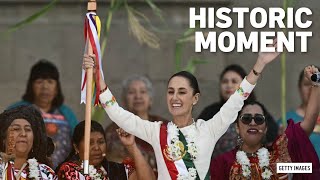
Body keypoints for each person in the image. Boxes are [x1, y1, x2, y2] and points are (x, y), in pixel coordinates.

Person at [83, 40, 280, 179]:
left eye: (182, 92)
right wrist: (97, 74)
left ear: (195, 98)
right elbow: (117, 112)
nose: (175, 98)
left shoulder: (208, 129)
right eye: (170, 92)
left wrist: (259, 64)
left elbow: (237, 100)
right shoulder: (156, 131)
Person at [210, 65, 320, 180]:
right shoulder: (222, 162)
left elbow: (308, 123)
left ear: (266, 128)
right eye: (246, 118)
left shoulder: (278, 156)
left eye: (259, 119)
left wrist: (316, 82)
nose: (252, 122)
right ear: (237, 127)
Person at [8, 60, 78, 168]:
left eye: (50, 81)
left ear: (56, 88)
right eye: (39, 81)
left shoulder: (67, 115)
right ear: (31, 86)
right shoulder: (16, 110)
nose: (45, 86)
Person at [198, 64, 278, 158]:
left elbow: (272, 132)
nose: (229, 85)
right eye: (225, 81)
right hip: (217, 167)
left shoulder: (255, 108)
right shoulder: (211, 111)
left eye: (234, 81)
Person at [105, 75, 167, 173]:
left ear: (150, 99)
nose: (138, 96)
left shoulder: (163, 126)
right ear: (124, 100)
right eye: (131, 92)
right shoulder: (113, 131)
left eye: (143, 91)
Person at [57, 120, 156, 180]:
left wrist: (131, 145)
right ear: (76, 147)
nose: (96, 147)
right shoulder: (68, 170)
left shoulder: (117, 169)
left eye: (101, 142)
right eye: (90, 143)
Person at [0, 105, 57, 179]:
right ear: (3, 137)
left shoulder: (46, 173)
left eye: (28, 129)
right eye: (16, 129)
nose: (23, 134)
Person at [277, 68, 320, 159]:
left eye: (315, 83)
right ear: (299, 87)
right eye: (307, 84)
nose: (311, 88)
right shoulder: (287, 120)